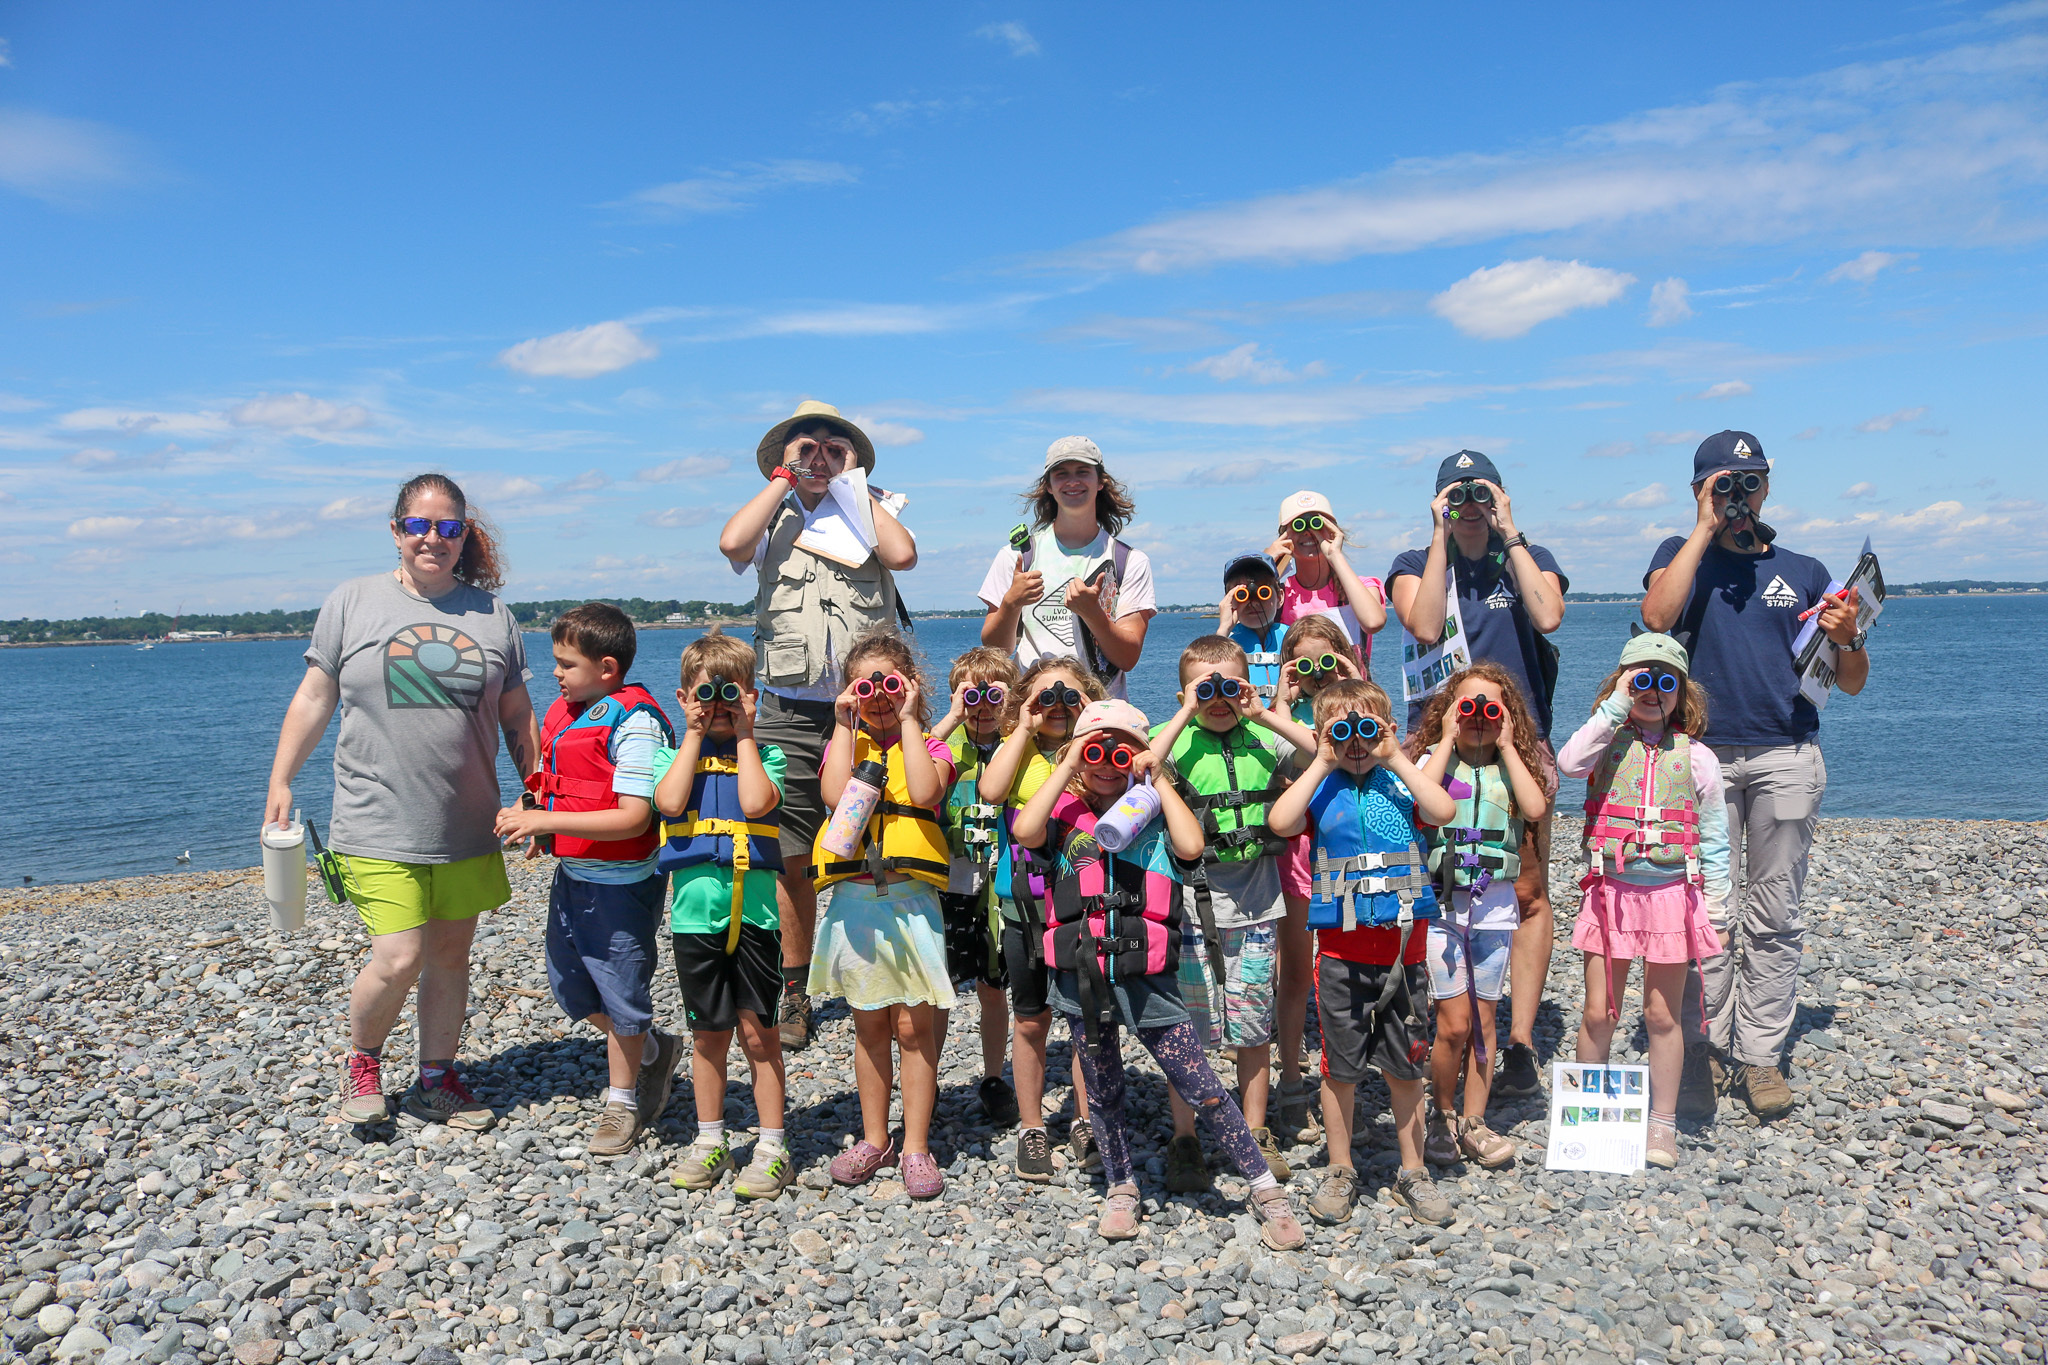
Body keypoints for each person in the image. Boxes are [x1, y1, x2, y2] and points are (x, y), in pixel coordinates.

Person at [263, 472, 536, 1131]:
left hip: (468, 823)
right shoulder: (352, 601)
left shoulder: (493, 615)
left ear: (464, 533)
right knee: (399, 956)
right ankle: (363, 1059)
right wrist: (281, 778)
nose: (433, 537)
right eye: (419, 525)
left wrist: (539, 792)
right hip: (375, 818)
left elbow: (518, 713)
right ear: (396, 531)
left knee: (449, 955)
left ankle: (436, 1079)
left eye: (448, 526)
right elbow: (313, 697)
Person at [1011, 700, 1308, 1249]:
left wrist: (1155, 776)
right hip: (1084, 972)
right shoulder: (1063, 815)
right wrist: (1069, 759)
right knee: (1101, 1088)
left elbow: (1192, 847)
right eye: (1095, 751)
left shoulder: (1148, 811)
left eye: (1118, 751)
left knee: (1203, 1085)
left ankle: (1264, 1189)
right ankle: (1121, 1185)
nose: (1106, 763)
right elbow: (1027, 829)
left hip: (1146, 977)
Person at [1639, 430, 1869, 1121]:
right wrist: (1704, 528)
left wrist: (1850, 633)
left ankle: (1760, 1052)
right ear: (1701, 489)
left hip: (1784, 752)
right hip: (1700, 755)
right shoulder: (1678, 560)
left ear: (1768, 485)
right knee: (1705, 912)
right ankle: (1705, 1041)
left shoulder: (1803, 569)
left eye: (1751, 482)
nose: (1740, 496)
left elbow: (1850, 682)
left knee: (1774, 915)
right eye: (1724, 483)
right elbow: (1657, 615)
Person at [717, 402, 918, 1052]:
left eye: (835, 447)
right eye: (809, 446)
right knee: (794, 856)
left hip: (872, 707)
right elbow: (731, 545)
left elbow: (903, 554)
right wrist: (785, 476)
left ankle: (885, 971)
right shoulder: (771, 512)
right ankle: (795, 989)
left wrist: (854, 486)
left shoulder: (869, 505)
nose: (821, 455)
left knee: (882, 840)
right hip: (790, 711)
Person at [1388, 450, 1567, 1103]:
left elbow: (1548, 616)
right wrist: (1441, 537)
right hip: (1438, 738)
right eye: (1457, 496)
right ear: (1438, 502)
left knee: (1526, 888)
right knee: (1435, 879)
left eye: (1480, 494)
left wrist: (1510, 529)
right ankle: (1446, 1018)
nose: (1469, 506)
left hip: (1519, 737)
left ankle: (1515, 1039)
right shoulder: (1414, 564)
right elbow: (1427, 623)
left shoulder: (1525, 554)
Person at [1267, 678, 1458, 1227]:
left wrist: (1395, 756)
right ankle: (1341, 1167)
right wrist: (1321, 760)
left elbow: (1441, 809)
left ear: (1388, 731)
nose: (1357, 742)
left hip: (1403, 953)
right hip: (1342, 955)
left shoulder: (1402, 783)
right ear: (1324, 736)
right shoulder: (1321, 787)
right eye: (1343, 733)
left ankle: (1413, 1169)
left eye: (1367, 730)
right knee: (1340, 1067)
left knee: (1405, 1065)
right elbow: (1281, 822)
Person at [492, 604, 681, 1157]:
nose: (555, 674)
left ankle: (622, 1102)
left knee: (621, 994)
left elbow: (632, 817)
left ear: (606, 668)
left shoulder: (635, 721)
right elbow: (563, 785)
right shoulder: (571, 711)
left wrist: (544, 819)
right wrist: (534, 812)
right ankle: (652, 1048)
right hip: (573, 876)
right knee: (569, 987)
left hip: (621, 885)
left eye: (565, 664)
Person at [1147, 636, 1317, 1189]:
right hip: (1192, 907)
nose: (1218, 699)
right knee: (1187, 1032)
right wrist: (1185, 712)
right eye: (1205, 689)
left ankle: (1255, 1128)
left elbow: (1320, 753)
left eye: (1229, 686)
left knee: (1252, 1026)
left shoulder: (1264, 738)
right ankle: (1186, 1137)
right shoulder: (1176, 740)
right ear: (1185, 696)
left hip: (1256, 905)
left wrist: (1263, 711)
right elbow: (1149, 761)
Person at [1555, 633, 1729, 1168]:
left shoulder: (1698, 757)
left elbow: (1717, 836)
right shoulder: (1605, 741)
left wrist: (1718, 910)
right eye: (1641, 680)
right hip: (1611, 895)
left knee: (1661, 1014)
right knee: (1598, 1012)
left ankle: (1661, 1125)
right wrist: (1616, 704)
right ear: (1624, 683)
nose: (1653, 691)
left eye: (1665, 682)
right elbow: (1568, 762)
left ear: (1681, 693)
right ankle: (1586, 1118)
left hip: (1672, 896)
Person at [806, 629, 956, 1198]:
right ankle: (874, 1137)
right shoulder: (845, 741)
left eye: (889, 684)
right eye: (865, 686)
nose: (878, 695)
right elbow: (832, 794)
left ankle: (915, 1144)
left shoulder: (930, 745)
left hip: (911, 902)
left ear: (910, 687)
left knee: (914, 1029)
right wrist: (844, 724)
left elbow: (921, 791)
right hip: (856, 904)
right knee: (868, 1025)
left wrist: (912, 719)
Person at [651, 631, 792, 1199]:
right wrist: (691, 730)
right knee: (708, 1036)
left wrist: (748, 732)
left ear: (750, 696)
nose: (716, 705)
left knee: (761, 1035)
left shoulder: (768, 755)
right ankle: (709, 1138)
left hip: (755, 920)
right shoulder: (673, 754)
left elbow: (757, 804)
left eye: (728, 694)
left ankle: (772, 1144)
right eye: (703, 695)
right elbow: (666, 803)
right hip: (693, 921)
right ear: (684, 697)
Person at [1408, 664, 1551, 1172]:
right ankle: (1442, 1113)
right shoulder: (1432, 761)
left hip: (1493, 909)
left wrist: (1509, 747)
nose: (1478, 718)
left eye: (1490, 709)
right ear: (1449, 712)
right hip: (1444, 907)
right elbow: (1423, 809)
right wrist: (1445, 739)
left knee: (1485, 1019)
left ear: (1507, 717)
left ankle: (1475, 1120)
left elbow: (1533, 808)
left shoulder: (1513, 770)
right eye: (1466, 707)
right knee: (1453, 1023)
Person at [978, 657, 1106, 1179]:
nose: (1058, 707)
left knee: (1083, 1017)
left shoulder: (1100, 753)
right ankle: (1033, 1125)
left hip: (1082, 908)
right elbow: (991, 791)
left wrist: (1092, 731)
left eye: (1070, 698)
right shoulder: (1020, 748)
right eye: (1045, 698)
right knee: (1030, 1018)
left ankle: (1084, 1117)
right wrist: (1024, 725)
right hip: (1025, 907)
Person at [1269, 613, 1364, 1141]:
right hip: (1300, 851)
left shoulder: (1358, 711)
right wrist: (1283, 699)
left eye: (1325, 661)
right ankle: (1290, 1079)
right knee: (1298, 974)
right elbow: (1288, 756)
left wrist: (1352, 681)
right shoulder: (1284, 711)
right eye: (1304, 664)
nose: (1316, 672)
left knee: (1345, 971)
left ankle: (1342, 1080)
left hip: (1346, 848)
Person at [978, 436, 1157, 700]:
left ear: (1100, 482)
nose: (1072, 482)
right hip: (1033, 711)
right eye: (1061, 474)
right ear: (1048, 486)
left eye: (1083, 472)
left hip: (1101, 716)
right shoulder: (1017, 557)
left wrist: (1093, 613)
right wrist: (1011, 604)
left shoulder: (1130, 561)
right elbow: (997, 651)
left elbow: (1128, 658)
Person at [931, 644, 1023, 1127]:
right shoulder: (942, 746)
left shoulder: (1018, 748)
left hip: (1000, 880)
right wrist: (950, 717)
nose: (982, 707)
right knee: (940, 986)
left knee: (993, 985)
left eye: (993, 696)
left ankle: (993, 1076)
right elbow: (913, 763)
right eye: (971, 696)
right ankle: (927, 1078)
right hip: (952, 877)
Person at [1271, 490, 1386, 667]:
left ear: (1333, 531)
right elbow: (1244, 627)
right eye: (1298, 526)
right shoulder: (1277, 596)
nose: (1308, 533)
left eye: (1317, 524)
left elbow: (1373, 622)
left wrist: (1335, 555)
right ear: (1283, 537)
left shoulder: (1361, 587)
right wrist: (1268, 563)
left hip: (1349, 693)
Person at [1218, 552, 1287, 700]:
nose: (1253, 603)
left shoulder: (1295, 638)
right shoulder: (1224, 642)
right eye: (1242, 596)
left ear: (1280, 597)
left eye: (1263, 593)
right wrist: (1224, 628)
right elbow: (1208, 676)